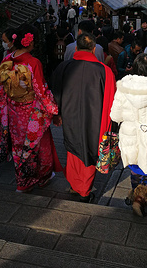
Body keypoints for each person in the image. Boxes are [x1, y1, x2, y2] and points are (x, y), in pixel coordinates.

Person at [0, 23, 62, 193]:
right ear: (30, 43)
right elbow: (41, 90)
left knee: (19, 146)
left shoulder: (6, 60)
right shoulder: (33, 63)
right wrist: (54, 110)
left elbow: (1, 88)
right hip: (32, 112)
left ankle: (23, 182)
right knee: (41, 145)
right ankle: (43, 177)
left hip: (13, 111)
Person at [51, 33, 116, 202]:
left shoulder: (64, 67)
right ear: (94, 49)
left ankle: (75, 184)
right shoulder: (105, 71)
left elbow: (55, 91)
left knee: (72, 149)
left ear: (77, 48)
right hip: (95, 118)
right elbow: (110, 101)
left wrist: (57, 114)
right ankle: (84, 190)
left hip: (69, 115)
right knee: (89, 152)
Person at [110, 54, 147, 217]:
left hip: (130, 135)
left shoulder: (124, 86)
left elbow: (115, 116)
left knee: (136, 169)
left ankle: (135, 195)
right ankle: (140, 199)